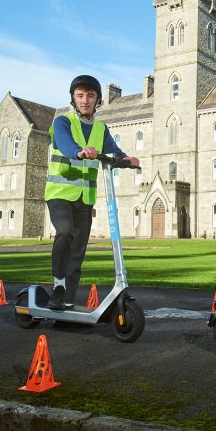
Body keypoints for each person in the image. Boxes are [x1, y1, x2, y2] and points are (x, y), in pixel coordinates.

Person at [45, 75, 140, 310]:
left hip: (85, 198)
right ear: (73, 99)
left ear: (98, 100)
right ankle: (58, 286)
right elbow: (65, 144)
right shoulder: (62, 122)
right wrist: (79, 152)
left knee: (78, 251)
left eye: (90, 95)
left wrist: (126, 159)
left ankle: (67, 302)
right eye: (80, 95)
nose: (85, 100)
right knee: (65, 232)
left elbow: (113, 151)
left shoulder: (100, 128)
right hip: (60, 193)